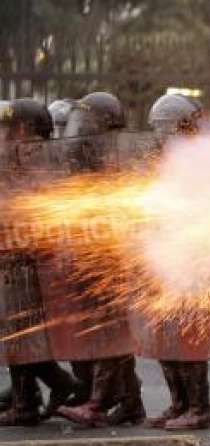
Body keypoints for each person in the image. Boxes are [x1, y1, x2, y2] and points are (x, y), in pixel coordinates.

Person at [54, 92, 145, 427]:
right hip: (94, 255)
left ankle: (96, 405)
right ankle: (131, 403)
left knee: (109, 332)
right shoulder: (90, 156)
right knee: (107, 333)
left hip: (113, 258)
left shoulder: (119, 156)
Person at [134, 93, 210, 430]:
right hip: (163, 256)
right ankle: (179, 403)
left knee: (189, 335)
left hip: (192, 262)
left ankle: (199, 408)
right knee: (166, 336)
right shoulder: (159, 160)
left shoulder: (206, 161)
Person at [0, 99, 81, 426]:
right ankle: (29, 395)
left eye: (7, 128)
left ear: (23, 129)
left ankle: (36, 397)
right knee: (17, 333)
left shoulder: (33, 156)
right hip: (18, 255)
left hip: (27, 257)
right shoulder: (21, 154)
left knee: (21, 333)